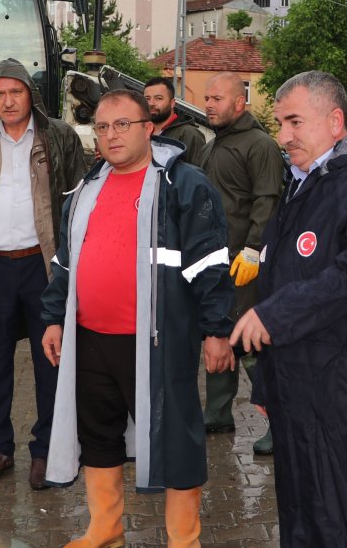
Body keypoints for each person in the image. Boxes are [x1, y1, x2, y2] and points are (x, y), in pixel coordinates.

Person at [40, 89, 236, 547]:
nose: (111, 135)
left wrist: (217, 330)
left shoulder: (183, 184)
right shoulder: (87, 188)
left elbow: (210, 264)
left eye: (122, 125)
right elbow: (65, 262)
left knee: (177, 439)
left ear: (149, 129)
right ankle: (105, 530)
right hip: (90, 338)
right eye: (103, 127)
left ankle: (184, 540)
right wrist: (53, 318)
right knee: (98, 434)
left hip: (157, 341)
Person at [229, 71, 347, 547]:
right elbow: (278, 276)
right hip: (297, 390)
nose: (283, 136)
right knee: (303, 513)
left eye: (295, 122)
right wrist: (268, 382)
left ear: (335, 122)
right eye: (280, 123)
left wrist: (275, 315)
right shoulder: (301, 183)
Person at [0, 58, 88, 489]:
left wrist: (75, 269)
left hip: (45, 267)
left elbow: (81, 203)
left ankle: (45, 451)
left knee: (51, 362)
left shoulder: (59, 137)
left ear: (30, 94)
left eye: (16, 92)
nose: (8, 101)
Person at [200, 71, 284, 455]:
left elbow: (267, 199)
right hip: (215, 262)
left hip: (245, 261)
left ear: (239, 102)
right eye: (207, 98)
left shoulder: (260, 145)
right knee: (220, 331)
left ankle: (279, 421)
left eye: (217, 98)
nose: (208, 104)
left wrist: (253, 249)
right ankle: (218, 412)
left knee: (250, 343)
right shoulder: (213, 145)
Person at [144, 76, 207, 166]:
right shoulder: (140, 132)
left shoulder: (189, 134)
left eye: (158, 98)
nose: (151, 103)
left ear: (172, 103)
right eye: (147, 98)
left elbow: (197, 172)